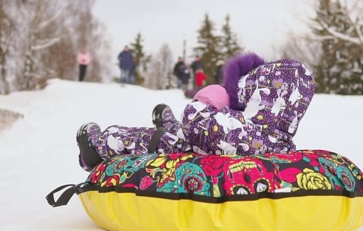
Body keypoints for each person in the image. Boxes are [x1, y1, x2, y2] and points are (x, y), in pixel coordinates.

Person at [77, 53, 316, 170]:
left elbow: (197, 123)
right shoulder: (282, 143)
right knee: (185, 134)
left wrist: (212, 97)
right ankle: (168, 123)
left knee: (158, 139)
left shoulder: (244, 131)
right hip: (207, 143)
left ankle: (97, 147)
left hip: (189, 148)